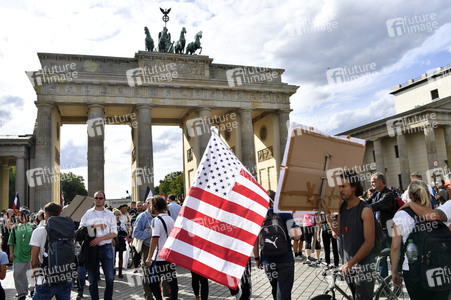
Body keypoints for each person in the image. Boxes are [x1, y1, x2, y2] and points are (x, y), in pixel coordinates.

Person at [321, 170, 376, 300]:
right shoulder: (343, 207)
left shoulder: (365, 210)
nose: (340, 190)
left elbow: (369, 243)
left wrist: (350, 263)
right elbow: (338, 231)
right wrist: (327, 212)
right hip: (347, 265)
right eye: (339, 186)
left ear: (354, 187)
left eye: (344, 186)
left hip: (363, 268)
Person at [391, 180, 449, 299]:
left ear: (410, 196)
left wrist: (394, 272)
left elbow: (395, 247)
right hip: (441, 267)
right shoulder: (438, 213)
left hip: (413, 270)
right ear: (428, 194)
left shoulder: (400, 215)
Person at [254, 190, 300, 300]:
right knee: (284, 293)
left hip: (268, 261)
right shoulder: (284, 213)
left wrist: (257, 258)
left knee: (275, 291)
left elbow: (254, 241)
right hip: (285, 259)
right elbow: (296, 235)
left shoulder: (258, 216)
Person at [29, 202, 73, 299]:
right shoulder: (66, 230)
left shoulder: (39, 231)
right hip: (65, 275)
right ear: (60, 214)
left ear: (46, 214)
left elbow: (34, 261)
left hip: (46, 278)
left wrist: (36, 279)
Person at [79, 191, 117, 300]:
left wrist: (100, 238)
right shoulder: (88, 213)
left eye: (100, 198)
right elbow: (81, 231)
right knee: (92, 280)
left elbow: (114, 233)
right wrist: (94, 226)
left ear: (104, 199)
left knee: (109, 278)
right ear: (94, 199)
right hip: (91, 248)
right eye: (96, 198)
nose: (98, 200)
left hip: (106, 248)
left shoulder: (110, 214)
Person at [145, 195, 178, 300]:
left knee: (153, 282)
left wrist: (149, 257)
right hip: (169, 255)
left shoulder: (156, 220)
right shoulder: (170, 219)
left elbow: (155, 239)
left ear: (154, 206)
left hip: (159, 256)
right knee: (172, 281)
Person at [366, 172, 396, 278]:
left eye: (373, 182)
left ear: (380, 181)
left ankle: (397, 285)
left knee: (394, 258)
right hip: (379, 232)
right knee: (381, 258)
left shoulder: (389, 194)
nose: (372, 184)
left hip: (390, 231)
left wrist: (365, 207)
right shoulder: (376, 193)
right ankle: (384, 287)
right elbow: (367, 202)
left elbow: (378, 205)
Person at [8, 207, 34, 300]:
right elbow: (11, 242)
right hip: (18, 256)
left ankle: (33, 290)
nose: (17, 217)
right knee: (18, 275)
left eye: (19, 215)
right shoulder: (15, 228)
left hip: (31, 257)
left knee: (32, 275)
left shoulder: (33, 227)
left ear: (25, 216)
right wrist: (11, 253)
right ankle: (22, 294)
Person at [133, 197, 155, 300]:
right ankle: (148, 296)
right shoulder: (142, 217)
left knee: (160, 272)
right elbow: (136, 233)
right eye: (152, 204)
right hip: (147, 248)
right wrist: (149, 233)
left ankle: (162, 294)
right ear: (148, 204)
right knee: (146, 273)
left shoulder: (161, 215)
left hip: (160, 248)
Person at [113, 208, 128, 278]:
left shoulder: (121, 222)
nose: (118, 216)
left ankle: (120, 271)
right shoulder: (112, 223)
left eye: (119, 214)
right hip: (114, 240)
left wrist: (123, 232)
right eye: (116, 214)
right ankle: (113, 269)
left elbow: (125, 232)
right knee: (114, 256)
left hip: (121, 240)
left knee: (121, 256)